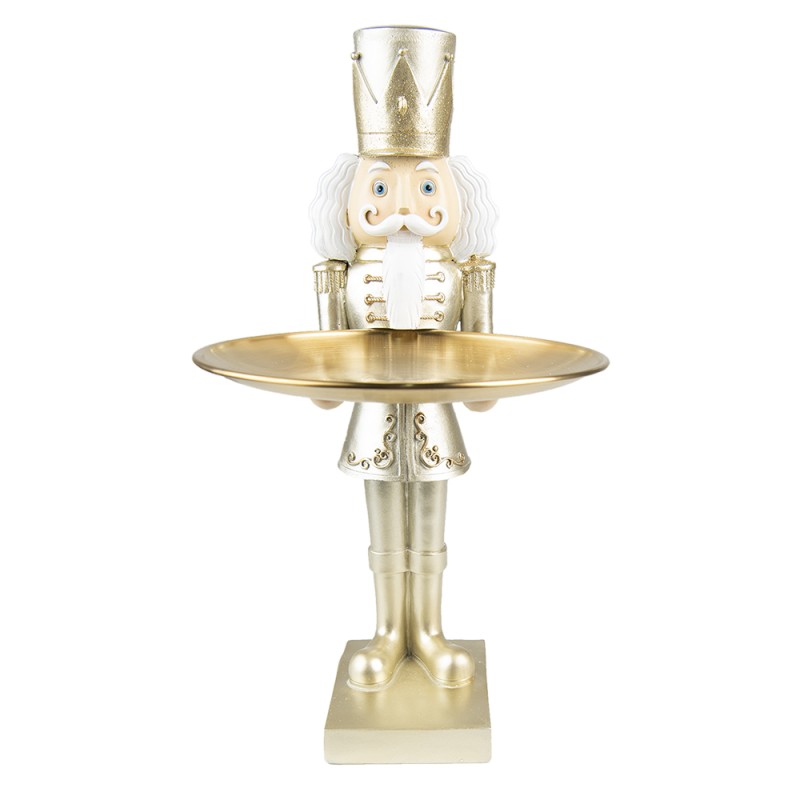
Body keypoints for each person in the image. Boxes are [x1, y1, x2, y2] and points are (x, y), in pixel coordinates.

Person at [309, 26, 498, 691]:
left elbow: (484, 387)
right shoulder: (346, 276)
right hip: (372, 421)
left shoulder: (460, 272)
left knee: (433, 534)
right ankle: (390, 633)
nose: (405, 211)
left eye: (425, 190)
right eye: (381, 191)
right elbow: (324, 388)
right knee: (385, 533)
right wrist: (326, 297)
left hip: (437, 419)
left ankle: (432, 632)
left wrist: (481, 292)